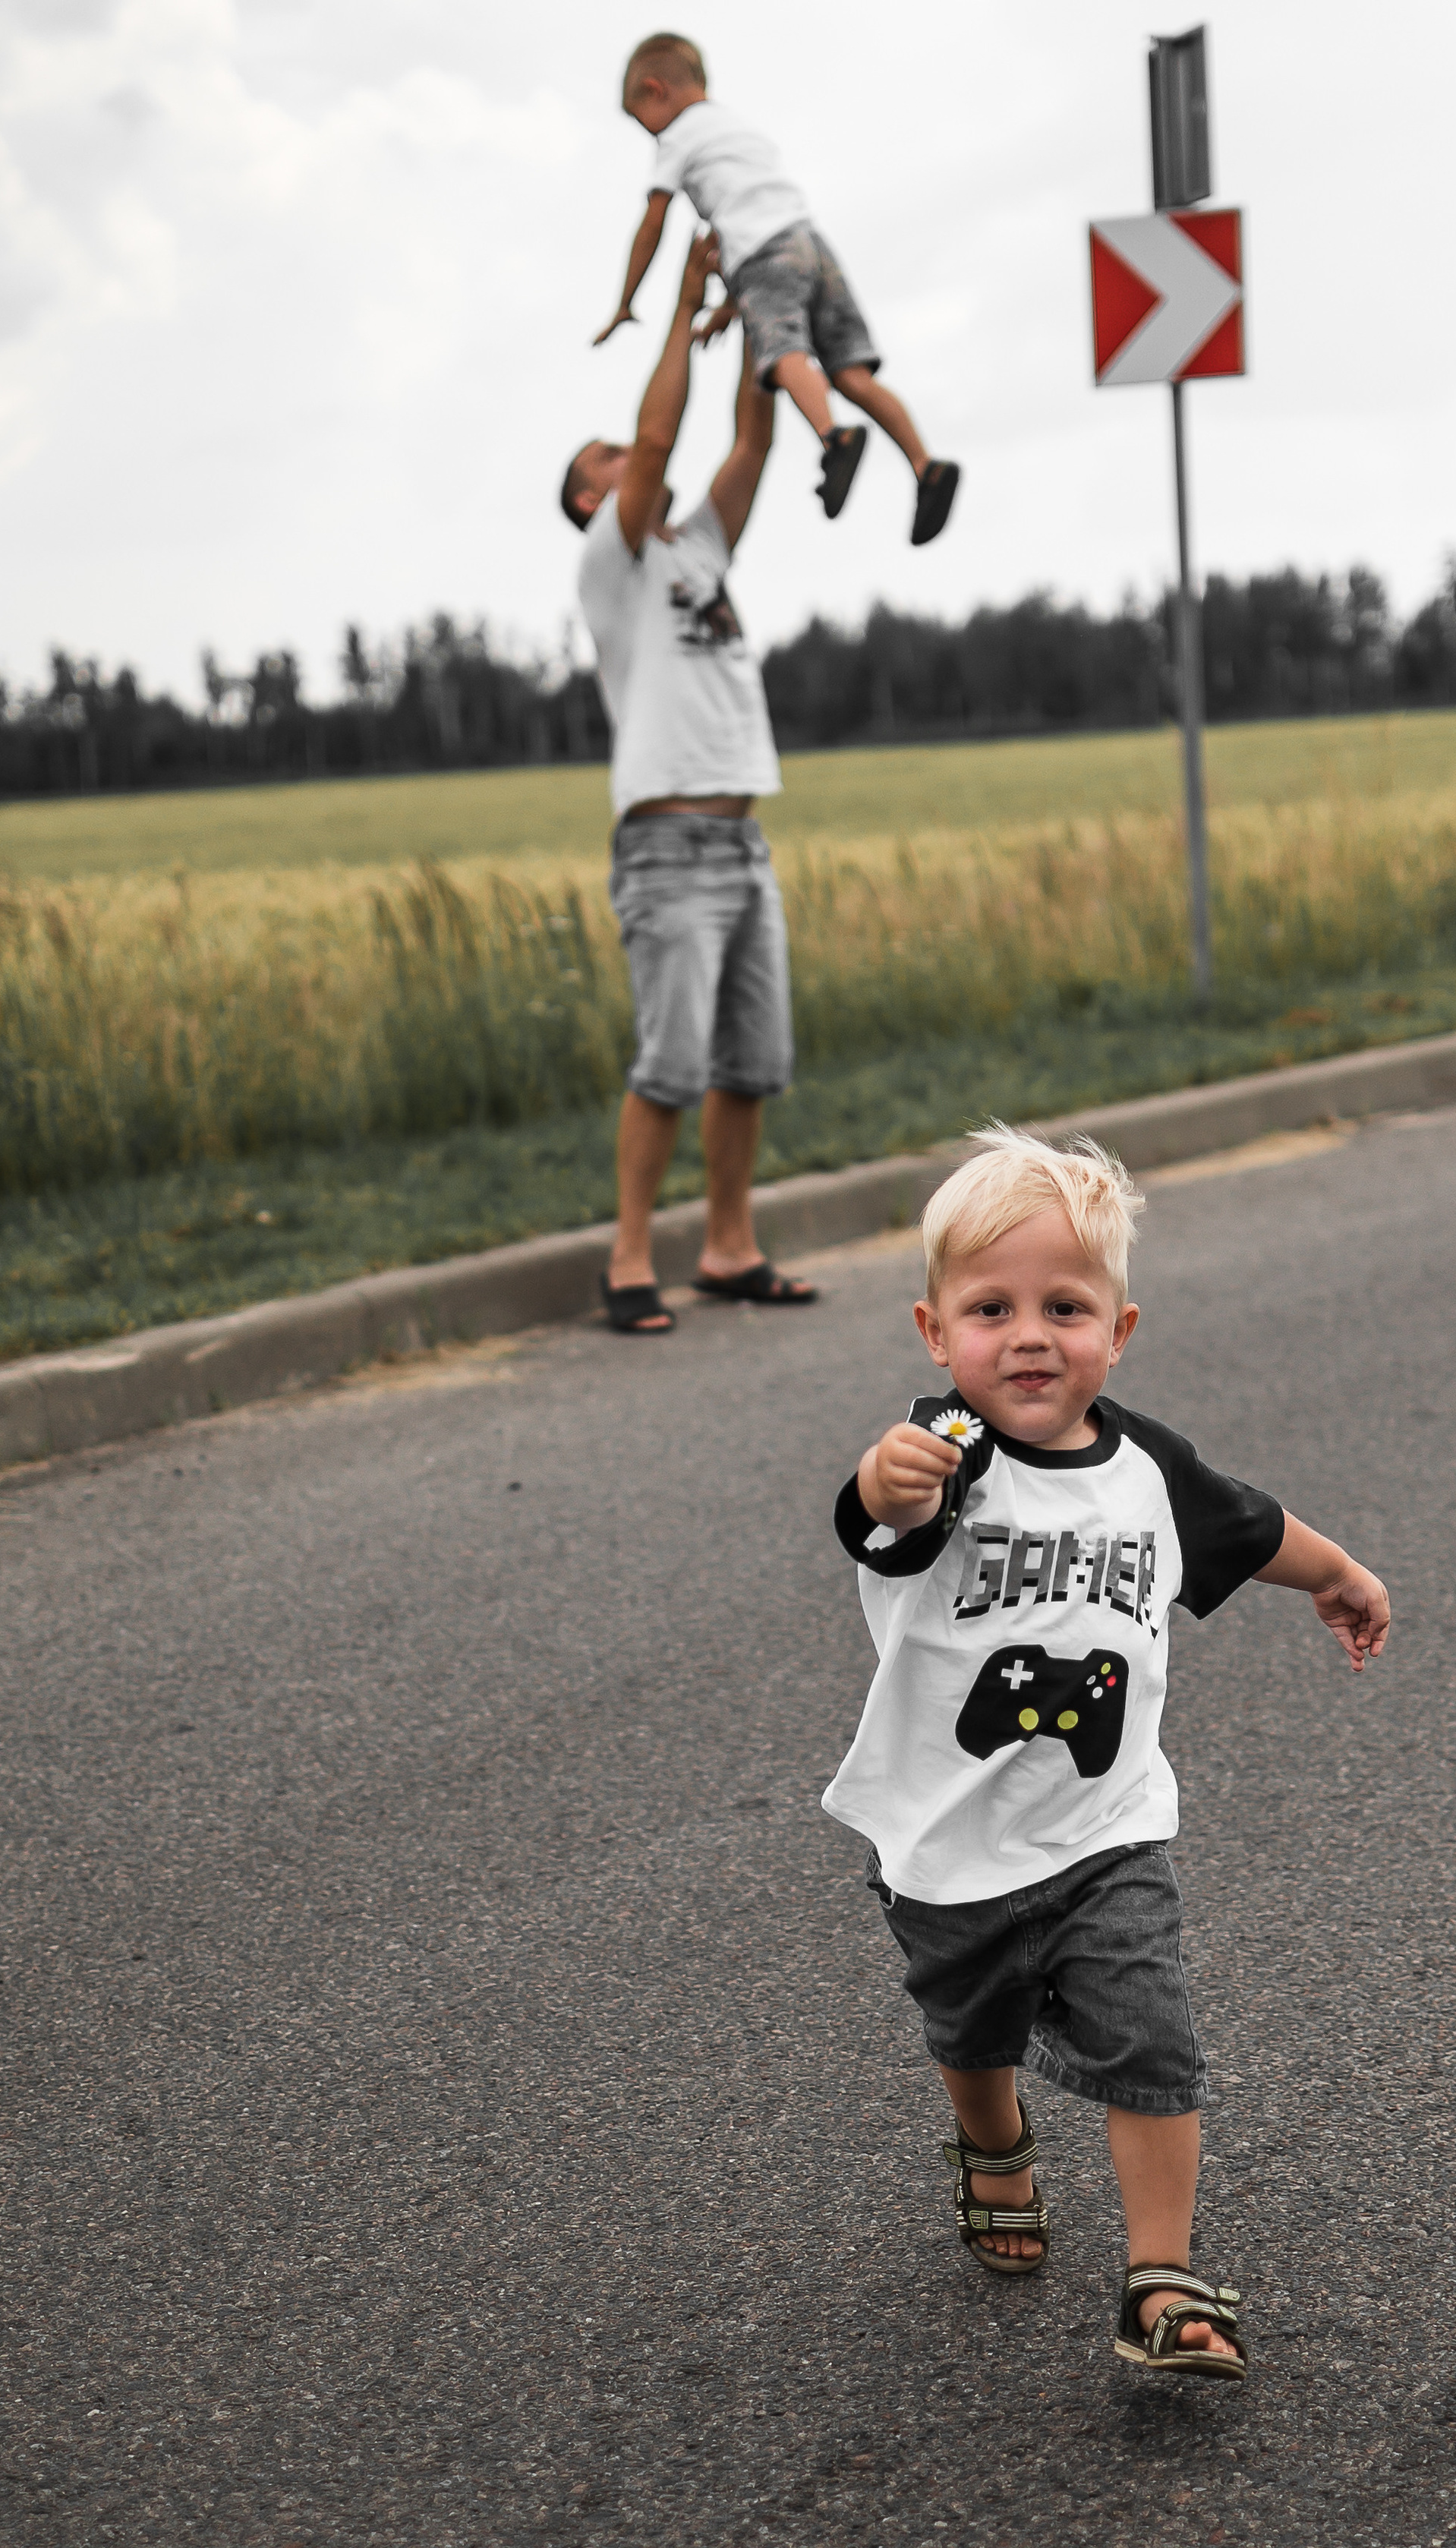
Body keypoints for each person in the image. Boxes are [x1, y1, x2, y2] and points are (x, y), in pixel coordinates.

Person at [822, 1127, 1391, 2379]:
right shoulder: (944, 1458)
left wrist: (1338, 1572)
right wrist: (887, 1476)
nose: (1029, 1337)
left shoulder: (1148, 1468)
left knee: (1153, 2041)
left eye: (1065, 1308)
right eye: (992, 1309)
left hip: (1107, 1831)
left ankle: (1161, 2279)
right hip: (949, 1843)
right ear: (935, 1331)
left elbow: (1248, 1526)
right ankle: (994, 2146)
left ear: (1118, 1332)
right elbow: (881, 1514)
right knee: (973, 2032)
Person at [561, 228, 817, 1335]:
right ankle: (628, 1259)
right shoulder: (611, 563)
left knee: (751, 1063)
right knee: (669, 1066)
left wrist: (758, 313)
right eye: (606, 459)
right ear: (589, 503)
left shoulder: (699, 549)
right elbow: (664, 434)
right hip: (667, 851)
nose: (631, 454)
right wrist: (678, 302)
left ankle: (728, 1247)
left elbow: (751, 437)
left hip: (742, 844)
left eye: (625, 449)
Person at [594, 31, 960, 547]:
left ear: (656, 91)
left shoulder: (677, 137)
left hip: (764, 257)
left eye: (643, 123)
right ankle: (925, 467)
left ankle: (834, 438)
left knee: (782, 352)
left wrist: (625, 301)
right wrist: (728, 310)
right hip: (809, 242)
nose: (650, 136)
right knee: (850, 373)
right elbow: (749, 219)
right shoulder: (735, 129)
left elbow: (654, 223)